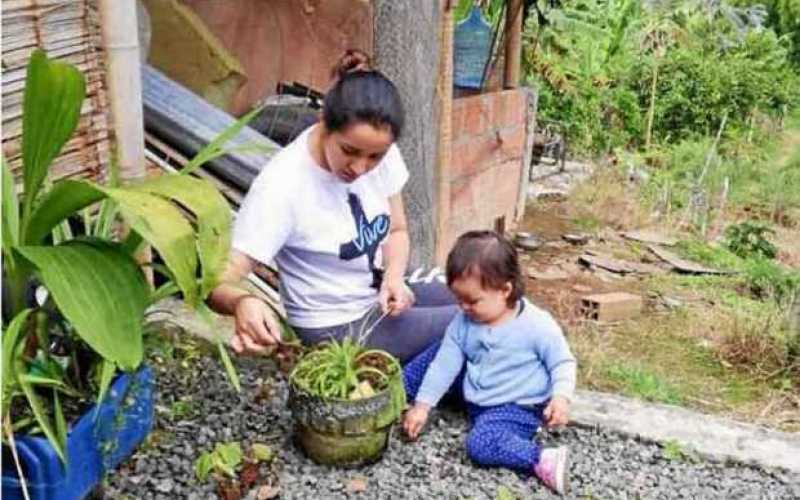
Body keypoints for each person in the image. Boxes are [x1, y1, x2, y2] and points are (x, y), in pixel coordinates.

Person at [208, 52, 458, 362]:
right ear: (324, 122)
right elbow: (217, 281)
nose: (361, 168)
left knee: (489, 292)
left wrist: (393, 278)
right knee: (480, 319)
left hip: (376, 290)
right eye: (349, 151)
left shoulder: (377, 143)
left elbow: (396, 230)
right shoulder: (282, 186)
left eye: (374, 157)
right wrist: (242, 302)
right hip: (337, 324)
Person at [402, 230, 576, 495]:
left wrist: (560, 398)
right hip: (478, 384)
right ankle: (396, 392)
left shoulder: (536, 325)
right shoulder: (464, 321)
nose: (463, 308)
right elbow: (444, 365)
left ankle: (541, 459)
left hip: (515, 404)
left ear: (505, 290)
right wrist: (422, 406)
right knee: (440, 352)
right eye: (458, 299)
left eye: (472, 301)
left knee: (481, 443)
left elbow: (562, 362)